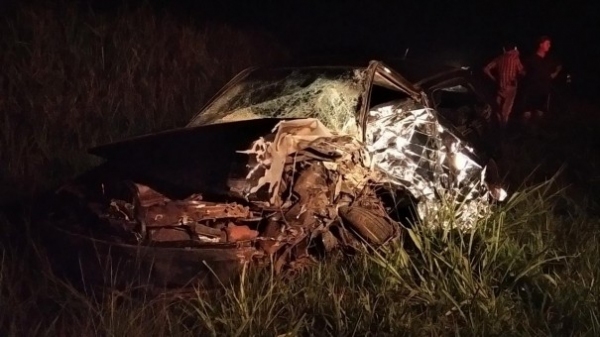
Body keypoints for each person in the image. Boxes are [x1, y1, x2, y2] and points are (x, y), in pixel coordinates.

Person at [483, 42, 525, 128]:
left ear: (504, 49)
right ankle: (502, 130)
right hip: (511, 87)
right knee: (506, 112)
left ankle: (494, 127)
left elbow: (486, 69)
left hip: (500, 87)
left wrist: (494, 79)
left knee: (497, 109)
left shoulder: (499, 58)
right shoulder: (515, 58)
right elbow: (522, 71)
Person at [521, 36, 562, 121]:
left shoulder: (549, 60)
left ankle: (538, 131)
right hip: (531, 91)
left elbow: (555, 70)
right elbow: (523, 72)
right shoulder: (531, 59)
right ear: (541, 44)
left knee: (540, 114)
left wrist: (555, 73)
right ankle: (524, 131)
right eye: (547, 43)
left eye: (549, 44)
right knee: (527, 114)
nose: (549, 46)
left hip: (543, 91)